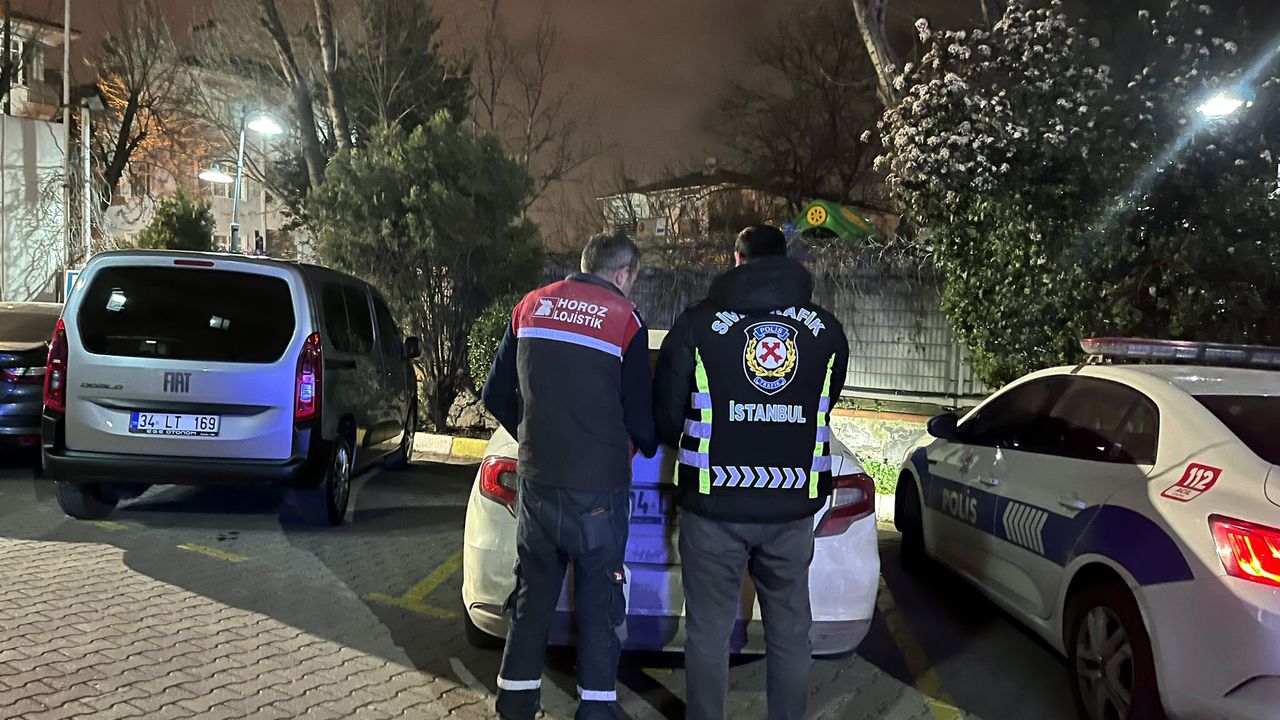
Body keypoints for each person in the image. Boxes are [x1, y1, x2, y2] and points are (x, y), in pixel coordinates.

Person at [653, 225, 848, 720]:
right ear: (785, 260)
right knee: (790, 633)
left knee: (708, 632)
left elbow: (667, 417)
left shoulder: (698, 324)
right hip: (792, 508)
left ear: (737, 260)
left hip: (713, 507)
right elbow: (822, 404)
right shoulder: (826, 331)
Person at [482, 229, 658, 720]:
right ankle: (596, 710)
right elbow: (641, 417)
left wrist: (534, 440)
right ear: (622, 274)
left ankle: (515, 702)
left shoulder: (530, 306)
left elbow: (495, 394)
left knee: (532, 595)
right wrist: (643, 443)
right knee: (600, 601)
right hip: (599, 491)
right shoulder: (625, 319)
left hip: (537, 482)